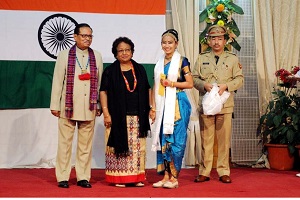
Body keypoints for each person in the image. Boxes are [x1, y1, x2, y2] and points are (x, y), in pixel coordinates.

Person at [50, 23, 103, 188]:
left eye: (90, 36)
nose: (87, 39)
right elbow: (58, 81)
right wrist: (55, 105)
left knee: (85, 145)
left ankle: (83, 177)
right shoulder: (64, 54)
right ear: (75, 36)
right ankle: (63, 177)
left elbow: (99, 82)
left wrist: (99, 104)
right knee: (65, 143)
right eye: (84, 36)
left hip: (89, 106)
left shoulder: (97, 56)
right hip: (68, 106)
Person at [192, 25, 244, 184]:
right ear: (208, 40)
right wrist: (203, 85)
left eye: (219, 38)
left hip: (225, 105)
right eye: (213, 38)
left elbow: (239, 79)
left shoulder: (232, 58)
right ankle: (205, 171)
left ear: (225, 40)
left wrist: (226, 86)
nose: (216, 42)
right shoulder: (202, 58)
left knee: (223, 140)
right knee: (206, 140)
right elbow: (194, 78)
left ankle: (223, 171)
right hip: (207, 105)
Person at [99, 36, 151, 187]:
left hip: (138, 116)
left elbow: (148, 89)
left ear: (132, 52)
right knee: (119, 148)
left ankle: (136, 178)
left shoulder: (139, 69)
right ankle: (119, 178)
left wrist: (151, 109)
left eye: (127, 50)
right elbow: (103, 92)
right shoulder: (110, 71)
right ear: (115, 53)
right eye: (120, 50)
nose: (124, 53)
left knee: (136, 149)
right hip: (117, 117)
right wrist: (106, 113)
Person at [151, 29, 193, 189]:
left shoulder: (182, 61)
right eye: (164, 43)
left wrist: (172, 84)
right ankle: (165, 176)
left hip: (178, 104)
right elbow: (155, 86)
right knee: (163, 140)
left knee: (176, 141)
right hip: (162, 105)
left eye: (170, 42)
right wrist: (153, 107)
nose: (166, 46)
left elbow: (190, 83)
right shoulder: (159, 63)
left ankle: (174, 177)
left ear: (176, 44)